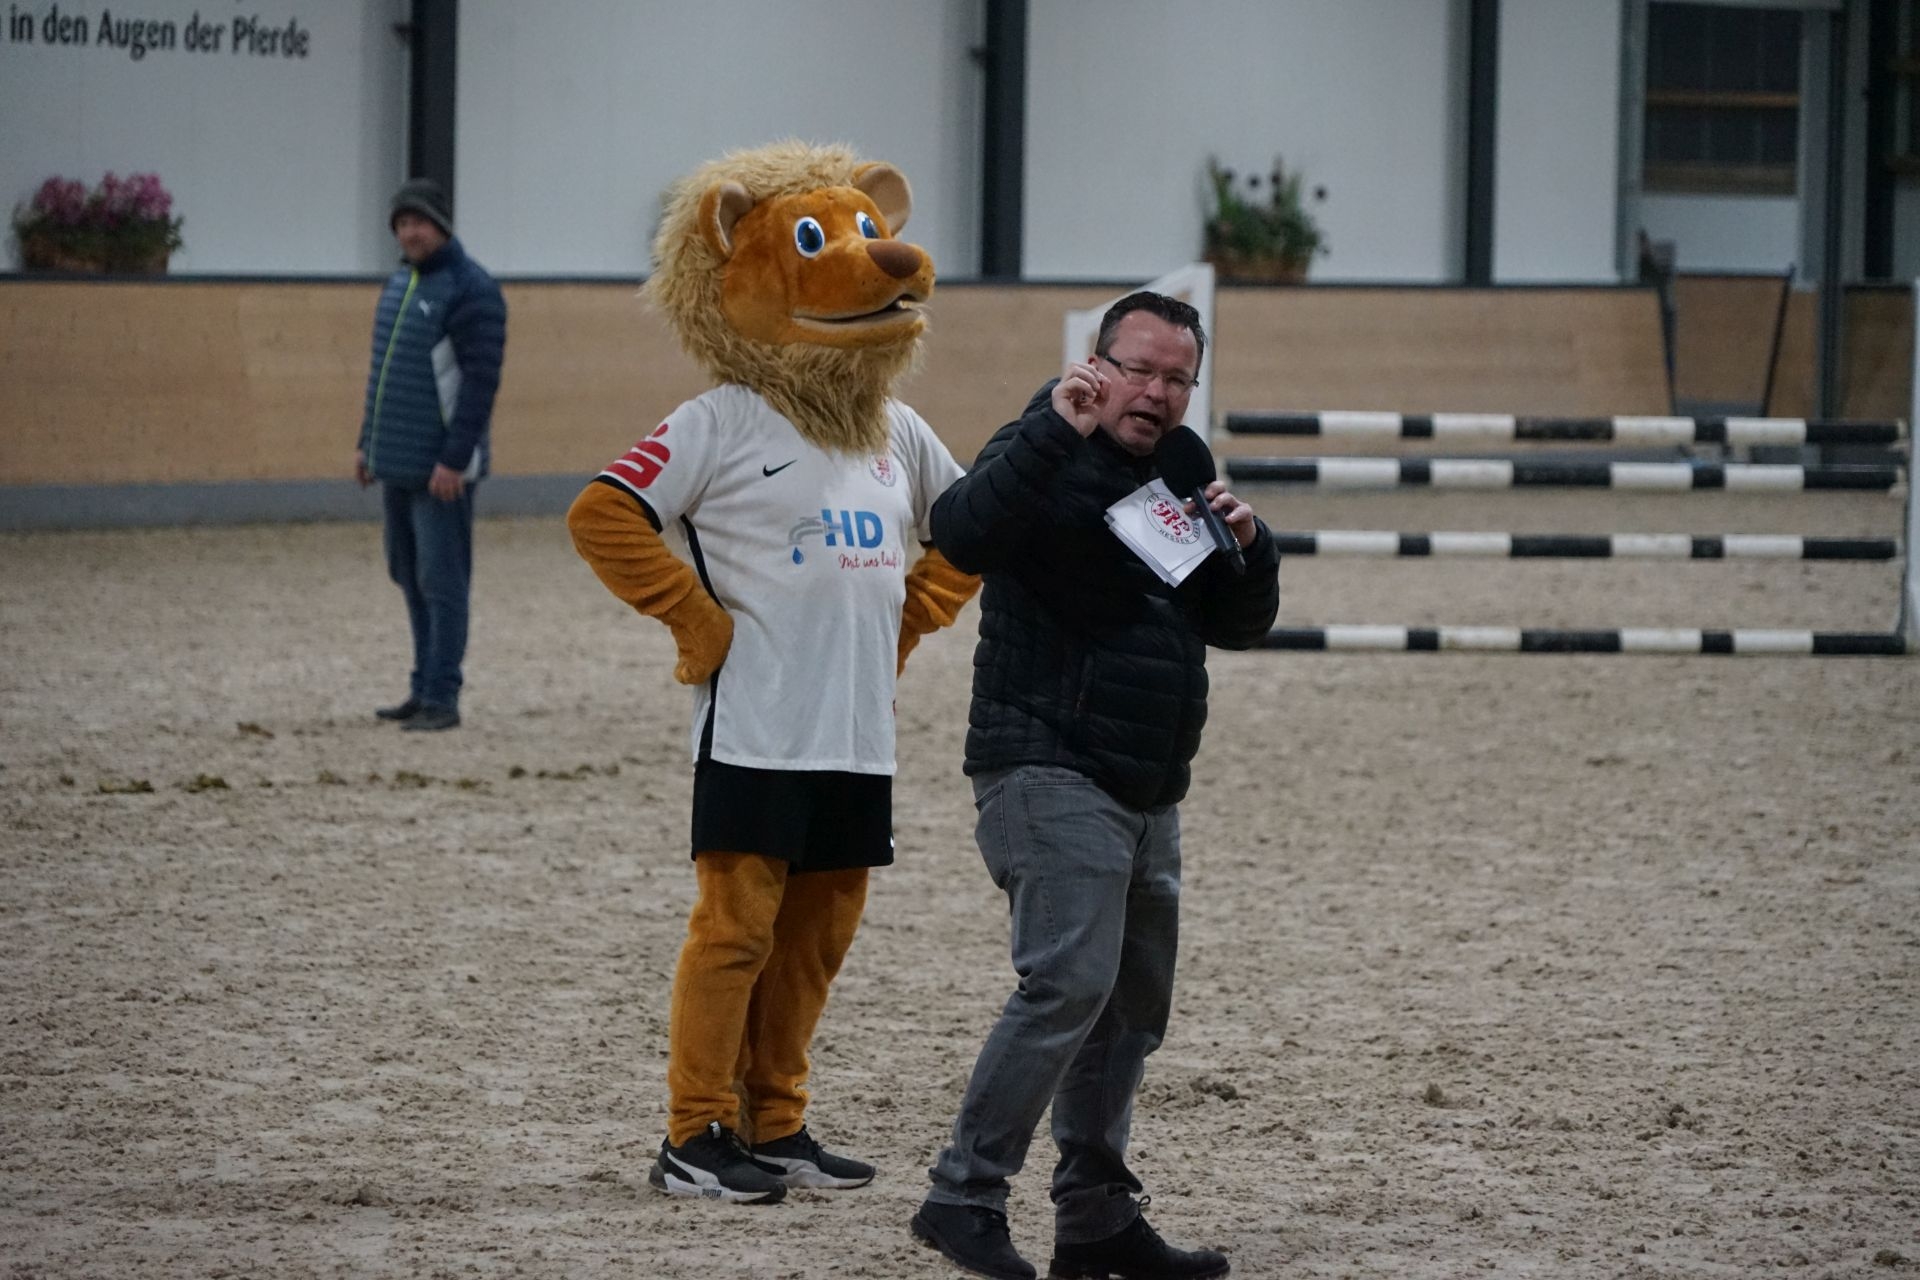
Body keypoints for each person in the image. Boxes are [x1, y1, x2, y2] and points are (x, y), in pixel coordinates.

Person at [567, 141, 980, 1205]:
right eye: (819, 240)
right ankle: (693, 1132)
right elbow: (603, 513)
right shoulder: (717, 422)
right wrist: (693, 620)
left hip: (858, 731)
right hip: (755, 725)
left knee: (816, 940)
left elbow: (976, 527)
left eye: (863, 233)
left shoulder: (899, 431)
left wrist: (912, 616)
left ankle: (777, 1119)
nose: (871, 259)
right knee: (736, 932)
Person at [910, 292, 1279, 1280]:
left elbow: (1233, 623)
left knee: (1128, 1008)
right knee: (1069, 981)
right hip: (1045, 762)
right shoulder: (1042, 437)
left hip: (1148, 784)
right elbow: (959, 533)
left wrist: (1252, 551)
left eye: (1177, 378)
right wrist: (1051, 429)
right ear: (1098, 364)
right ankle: (962, 1193)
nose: (1156, 393)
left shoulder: (1182, 465)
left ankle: (1096, 1216)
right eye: (1140, 370)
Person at [355, 177, 507, 732]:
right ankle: (421, 687)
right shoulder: (401, 283)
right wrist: (367, 443)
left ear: (441, 225)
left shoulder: (473, 290)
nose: (409, 232)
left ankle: (443, 696)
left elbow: (479, 385)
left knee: (443, 583)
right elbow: (384, 374)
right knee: (409, 575)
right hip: (396, 461)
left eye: (419, 221)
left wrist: (454, 459)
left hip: (442, 469)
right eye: (402, 223)